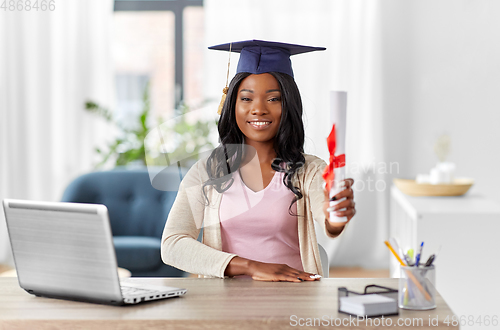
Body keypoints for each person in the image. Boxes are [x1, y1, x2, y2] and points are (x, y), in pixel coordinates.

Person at [161, 40, 356, 282]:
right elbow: (172, 244)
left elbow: (326, 215)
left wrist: (334, 216)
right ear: (232, 104)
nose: (258, 109)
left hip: (295, 298)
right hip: (223, 303)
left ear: (289, 106)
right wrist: (251, 266)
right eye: (246, 98)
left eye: (273, 99)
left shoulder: (310, 170)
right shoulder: (207, 171)